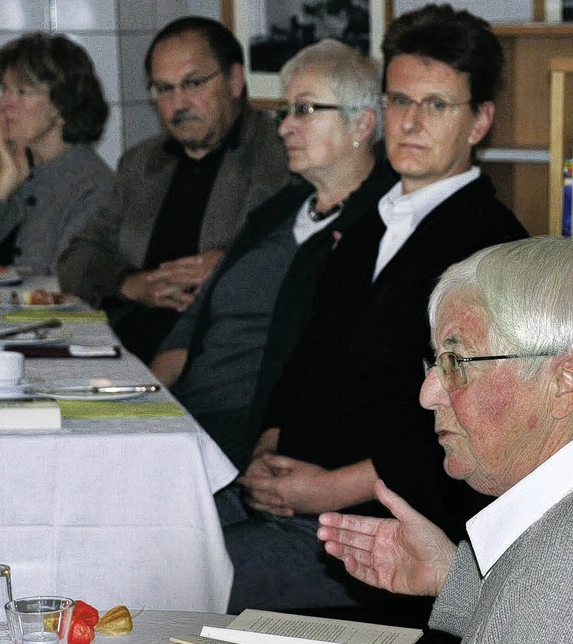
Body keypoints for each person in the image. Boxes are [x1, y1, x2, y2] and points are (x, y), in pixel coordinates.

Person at [225, 4, 529, 618]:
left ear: (479, 122)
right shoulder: (368, 218)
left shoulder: (489, 245)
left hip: (377, 533)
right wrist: (268, 444)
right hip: (289, 491)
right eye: (398, 101)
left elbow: (472, 420)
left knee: (175, 573)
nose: (410, 123)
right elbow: (306, 355)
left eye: (436, 105)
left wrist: (330, 488)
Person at [243, 235, 573, 644]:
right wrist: (453, 578)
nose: (428, 395)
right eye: (433, 363)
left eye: (456, 363)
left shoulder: (567, 560)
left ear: (563, 386)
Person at [151, 39, 397, 470]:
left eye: (303, 110)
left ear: (361, 125)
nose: (284, 127)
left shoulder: (377, 231)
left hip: (251, 441)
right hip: (186, 423)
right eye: (285, 113)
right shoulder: (278, 211)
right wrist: (145, 410)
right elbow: (194, 326)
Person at [57, 17, 289, 363]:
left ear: (235, 80)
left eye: (193, 84)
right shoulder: (142, 163)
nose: (178, 104)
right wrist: (131, 284)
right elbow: (76, 258)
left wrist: (229, 265)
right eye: (164, 89)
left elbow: (294, 255)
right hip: (124, 349)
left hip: (221, 357)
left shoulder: (278, 156)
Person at [0, 32, 113, 273]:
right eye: (4, 89)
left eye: (22, 92)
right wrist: (1, 188)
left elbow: (68, 282)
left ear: (62, 106)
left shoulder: (94, 187)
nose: (4, 103)